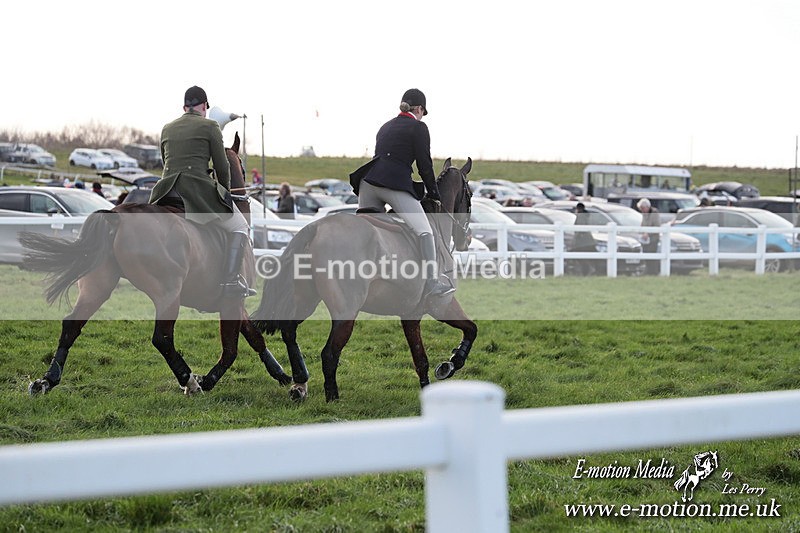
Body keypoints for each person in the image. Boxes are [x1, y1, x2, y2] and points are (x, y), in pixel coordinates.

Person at [349, 88, 455, 303]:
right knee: (426, 231)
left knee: (369, 230)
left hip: (368, 184)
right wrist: (434, 192)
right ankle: (432, 282)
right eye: (422, 113)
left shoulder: (385, 126)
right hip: (392, 185)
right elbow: (424, 165)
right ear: (419, 109)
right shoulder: (419, 127)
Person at [149, 85, 255, 299]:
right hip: (195, 193)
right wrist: (224, 192)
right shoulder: (210, 126)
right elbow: (221, 166)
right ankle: (231, 280)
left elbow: (165, 161)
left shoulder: (167, 128)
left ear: (184, 107)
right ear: (205, 106)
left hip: (164, 192)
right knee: (240, 225)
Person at [572, 202, 597, 275]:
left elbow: (579, 229)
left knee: (579, 255)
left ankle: (588, 269)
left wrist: (574, 240)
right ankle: (588, 269)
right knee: (585, 256)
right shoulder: (586, 216)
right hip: (588, 240)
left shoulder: (581, 216)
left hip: (582, 241)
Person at [637, 198, 661, 275]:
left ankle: (653, 272)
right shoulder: (644, 214)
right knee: (646, 255)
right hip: (645, 239)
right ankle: (648, 271)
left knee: (652, 255)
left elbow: (657, 226)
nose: (642, 210)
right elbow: (643, 224)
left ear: (647, 207)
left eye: (643, 208)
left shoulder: (654, 213)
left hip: (653, 238)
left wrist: (648, 233)